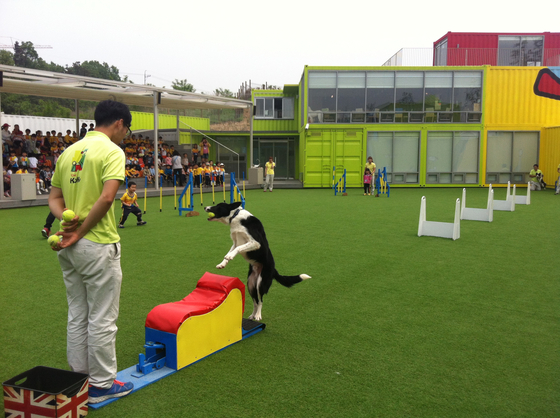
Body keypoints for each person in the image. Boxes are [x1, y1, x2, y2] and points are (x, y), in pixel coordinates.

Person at [48, 100, 134, 404]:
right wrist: (81, 231)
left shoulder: (68, 151)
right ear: (120, 123)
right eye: (127, 129)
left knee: (78, 312)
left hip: (67, 245)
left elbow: (54, 197)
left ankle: (79, 378)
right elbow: (109, 196)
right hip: (96, 244)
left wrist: (68, 223)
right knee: (102, 317)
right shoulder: (113, 151)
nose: (125, 135)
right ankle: (100, 385)